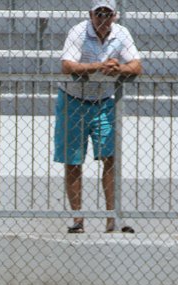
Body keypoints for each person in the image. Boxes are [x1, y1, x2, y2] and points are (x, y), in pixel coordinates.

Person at [55, 0, 142, 234]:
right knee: (73, 160)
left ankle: (111, 218)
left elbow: (136, 66)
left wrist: (118, 69)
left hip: (103, 101)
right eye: (99, 14)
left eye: (107, 14)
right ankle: (78, 219)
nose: (103, 19)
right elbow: (67, 65)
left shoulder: (121, 33)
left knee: (110, 157)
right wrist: (98, 66)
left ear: (114, 16)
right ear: (91, 14)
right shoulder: (78, 32)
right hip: (73, 100)